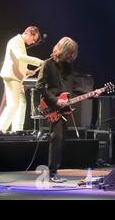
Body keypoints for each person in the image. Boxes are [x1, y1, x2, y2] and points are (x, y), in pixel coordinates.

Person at [36, 37, 79, 183]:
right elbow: (40, 86)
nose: (71, 57)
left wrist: (92, 94)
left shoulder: (68, 67)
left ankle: (54, 171)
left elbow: (73, 87)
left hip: (64, 107)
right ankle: (52, 173)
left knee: (60, 140)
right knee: (57, 138)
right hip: (51, 105)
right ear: (65, 51)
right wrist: (55, 100)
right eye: (70, 53)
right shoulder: (48, 64)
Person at [0, 26, 43, 133]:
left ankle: (17, 130)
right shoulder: (15, 41)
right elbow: (20, 57)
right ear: (29, 33)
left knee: (22, 104)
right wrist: (38, 61)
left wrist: (27, 71)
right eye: (34, 39)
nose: (32, 42)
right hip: (12, 76)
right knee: (13, 104)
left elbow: (18, 61)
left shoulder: (20, 43)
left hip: (17, 78)